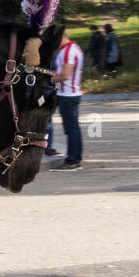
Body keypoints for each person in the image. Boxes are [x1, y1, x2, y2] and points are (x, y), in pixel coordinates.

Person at [51, 25, 84, 172]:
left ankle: (72, 161)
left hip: (67, 95)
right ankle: (75, 158)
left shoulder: (67, 52)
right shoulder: (74, 48)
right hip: (71, 94)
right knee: (73, 128)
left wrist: (49, 80)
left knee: (71, 129)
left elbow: (64, 75)